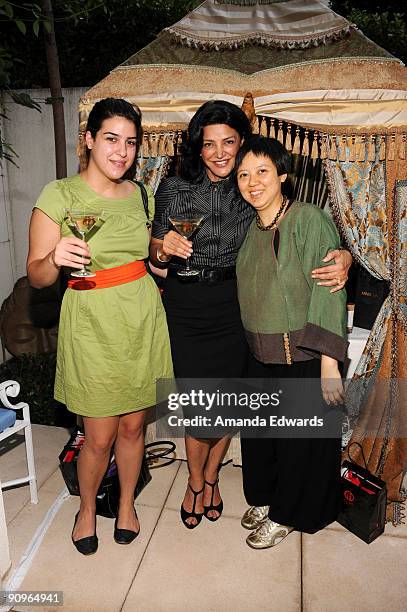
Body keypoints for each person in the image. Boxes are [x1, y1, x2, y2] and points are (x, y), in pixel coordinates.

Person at [150, 100, 351, 529]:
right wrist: (162, 248)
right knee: (199, 404)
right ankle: (196, 481)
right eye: (210, 144)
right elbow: (154, 252)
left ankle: (214, 478)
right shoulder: (174, 187)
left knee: (231, 403)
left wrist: (345, 256)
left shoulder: (259, 198)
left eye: (230, 144)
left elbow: (309, 241)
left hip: (233, 307)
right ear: (197, 147)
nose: (221, 153)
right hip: (188, 304)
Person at [27, 98, 173, 554]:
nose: (121, 152)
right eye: (111, 139)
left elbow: (148, 261)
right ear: (88, 141)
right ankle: (87, 509)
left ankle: (127, 502)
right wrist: (55, 258)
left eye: (130, 142)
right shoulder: (61, 194)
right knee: (98, 435)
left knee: (134, 428)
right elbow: (36, 274)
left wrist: (164, 255)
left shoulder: (142, 194)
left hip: (141, 318)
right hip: (91, 322)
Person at [235, 135, 347, 548]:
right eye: (244, 174)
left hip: (301, 356)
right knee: (262, 440)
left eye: (262, 171)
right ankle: (265, 498)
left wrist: (329, 363)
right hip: (258, 356)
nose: (253, 181)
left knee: (299, 445)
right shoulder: (252, 226)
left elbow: (328, 288)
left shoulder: (307, 219)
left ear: (282, 174)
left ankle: (288, 514)